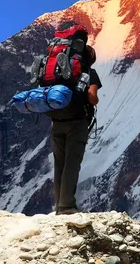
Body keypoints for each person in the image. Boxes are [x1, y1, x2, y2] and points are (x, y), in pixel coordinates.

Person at [49, 44, 102, 215]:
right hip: (77, 123)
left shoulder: (60, 74)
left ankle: (59, 205)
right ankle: (67, 206)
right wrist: (93, 100)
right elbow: (92, 97)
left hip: (56, 121)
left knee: (60, 164)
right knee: (72, 163)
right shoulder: (89, 73)